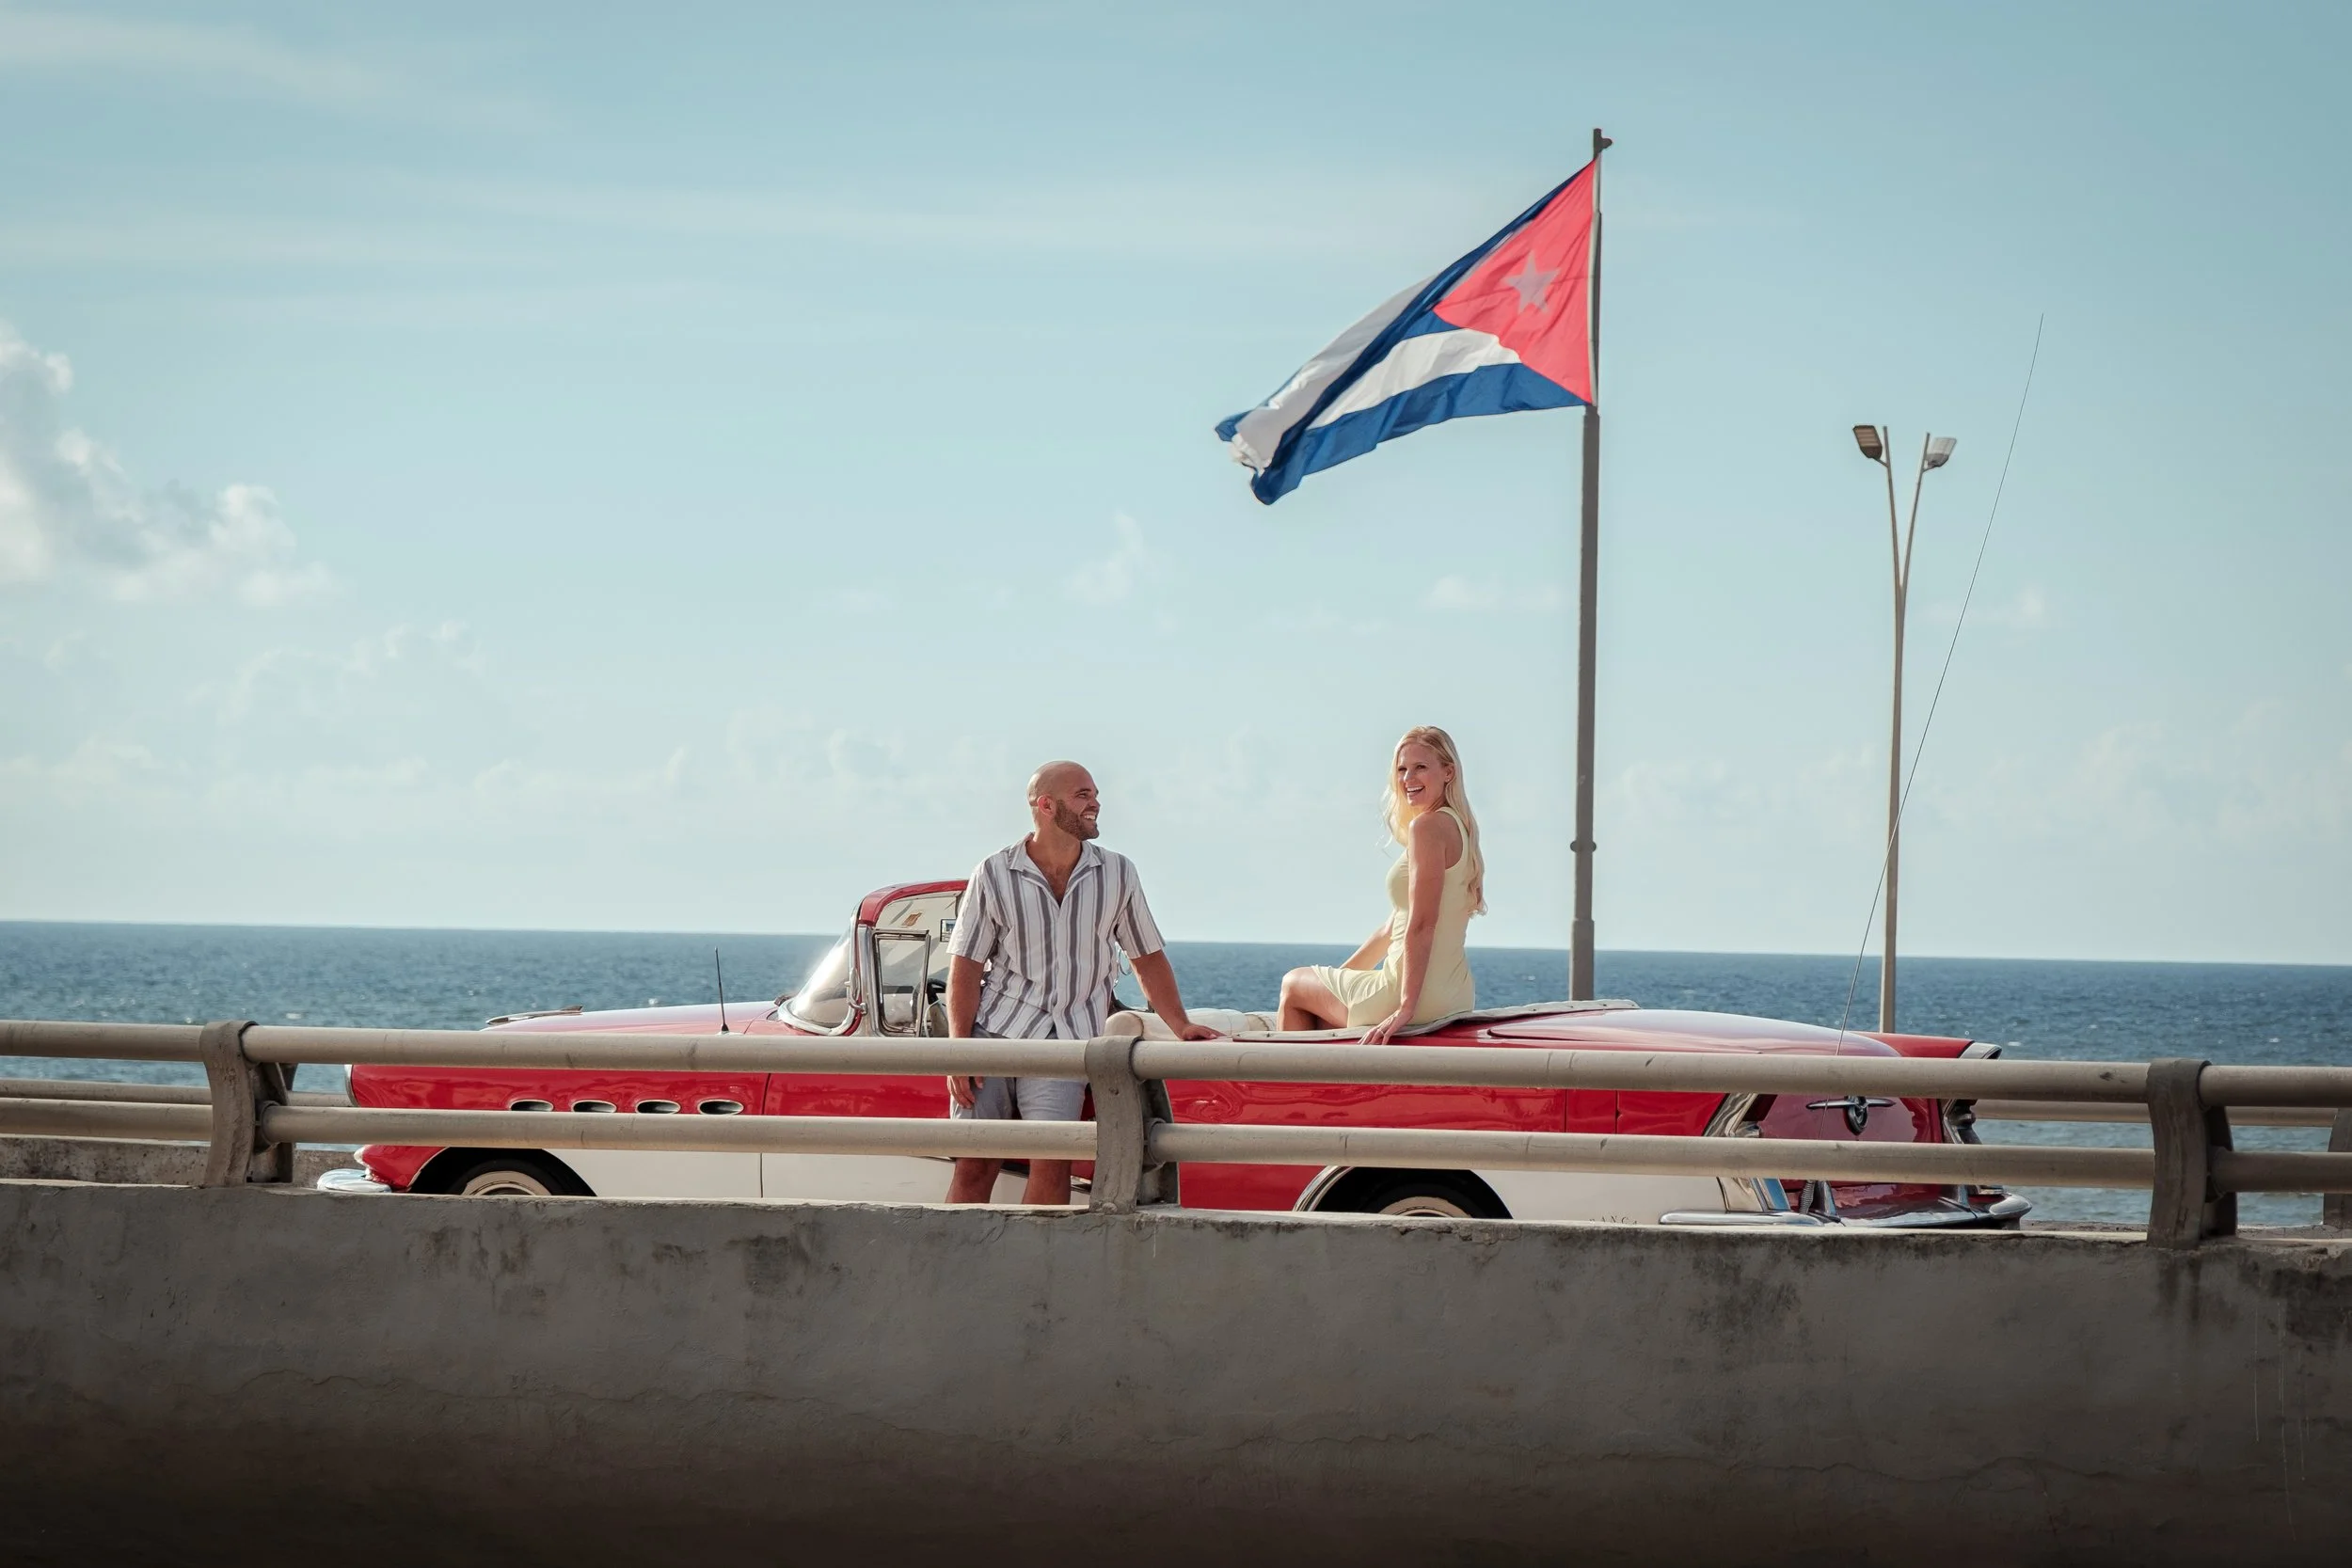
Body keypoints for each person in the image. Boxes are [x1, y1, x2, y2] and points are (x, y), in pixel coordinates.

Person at [943, 760, 1220, 1205]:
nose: (1096, 804)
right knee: (975, 1166)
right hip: (993, 1037)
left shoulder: (1118, 873)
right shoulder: (993, 873)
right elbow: (967, 967)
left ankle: (1035, 1271)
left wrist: (1180, 1024)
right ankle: (954, 1270)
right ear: (1047, 806)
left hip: (1068, 1044)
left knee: (1052, 1164)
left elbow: (1146, 956)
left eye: (1094, 794)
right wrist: (959, 1051)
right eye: (1083, 795)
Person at [1278, 726, 1484, 1044]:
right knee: (1313, 994)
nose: (1408, 779)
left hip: (1411, 994)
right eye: (1402, 769)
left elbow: (1422, 925)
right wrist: (1338, 980)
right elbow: (1391, 930)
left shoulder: (1427, 827)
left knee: (1293, 984)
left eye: (1420, 767)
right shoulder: (1461, 829)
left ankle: (1292, 1093)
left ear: (1448, 772)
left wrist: (1406, 1007)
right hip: (1455, 996)